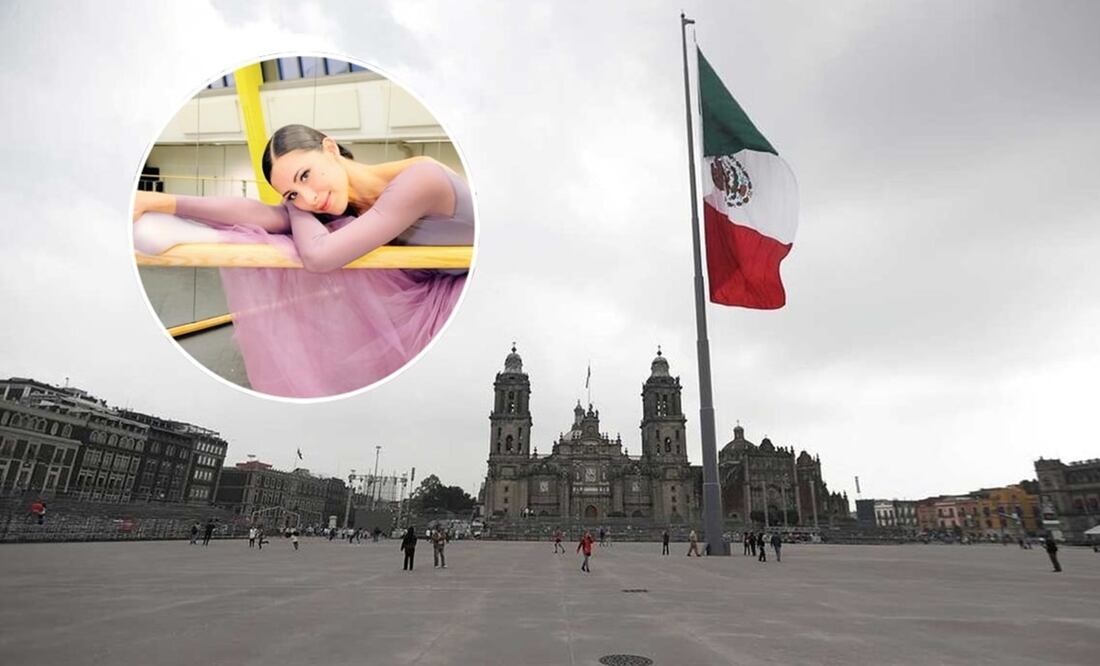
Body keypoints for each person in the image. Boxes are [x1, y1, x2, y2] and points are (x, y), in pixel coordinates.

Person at [132, 125, 475, 399]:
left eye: (306, 175)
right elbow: (266, 215)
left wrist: (294, 208)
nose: (309, 197)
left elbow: (319, 256)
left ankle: (205, 236)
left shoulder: (422, 179)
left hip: (467, 295)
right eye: (293, 193)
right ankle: (197, 234)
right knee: (293, 236)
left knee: (315, 243)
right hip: (428, 284)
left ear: (330, 148)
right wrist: (164, 202)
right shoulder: (340, 199)